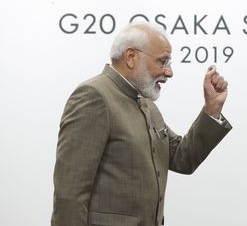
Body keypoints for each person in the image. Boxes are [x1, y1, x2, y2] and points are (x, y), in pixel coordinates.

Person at [52, 22, 232, 226]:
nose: (170, 72)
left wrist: (212, 110)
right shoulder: (94, 96)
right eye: (163, 62)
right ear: (131, 57)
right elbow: (69, 193)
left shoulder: (147, 105)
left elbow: (183, 158)